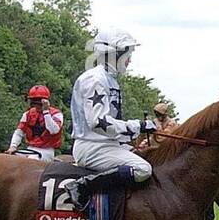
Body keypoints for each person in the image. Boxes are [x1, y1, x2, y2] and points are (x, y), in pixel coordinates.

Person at [63, 27, 155, 209]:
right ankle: (83, 185)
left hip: (105, 145)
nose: (129, 60)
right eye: (127, 54)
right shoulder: (95, 79)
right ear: (114, 54)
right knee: (143, 169)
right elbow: (99, 123)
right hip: (92, 147)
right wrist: (138, 126)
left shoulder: (109, 79)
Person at [6, 85, 64, 162]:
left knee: (31, 160)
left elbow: (53, 130)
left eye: (39, 102)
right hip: (30, 148)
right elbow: (19, 132)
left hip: (46, 151)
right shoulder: (27, 114)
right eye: (34, 102)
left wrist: (46, 112)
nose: (36, 105)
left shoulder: (56, 114)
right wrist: (13, 146)